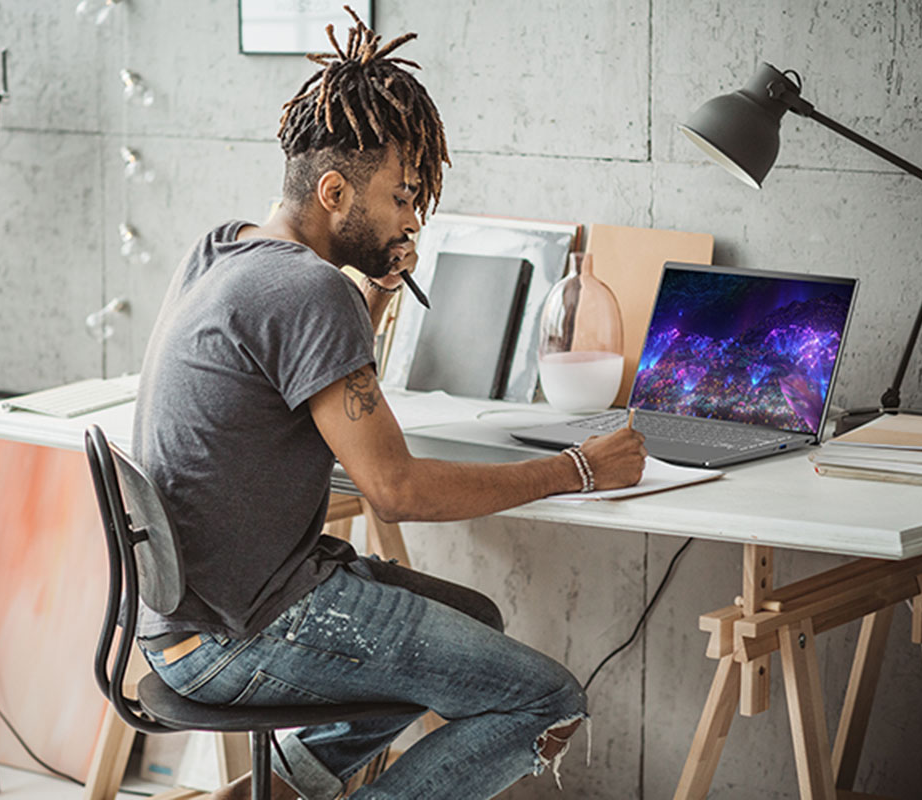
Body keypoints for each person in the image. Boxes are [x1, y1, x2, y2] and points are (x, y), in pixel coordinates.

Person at [131, 8, 647, 799]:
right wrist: (576, 468)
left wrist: (370, 293)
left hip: (182, 624)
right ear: (334, 190)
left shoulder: (224, 249)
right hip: (244, 632)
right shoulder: (307, 290)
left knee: (472, 620)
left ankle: (279, 789)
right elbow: (395, 492)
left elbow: (293, 388)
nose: (414, 219)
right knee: (547, 698)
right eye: (402, 197)